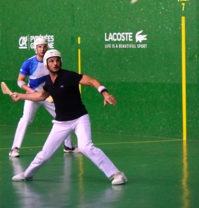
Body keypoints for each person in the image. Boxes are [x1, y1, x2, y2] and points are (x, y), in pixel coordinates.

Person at [9, 49, 127, 185]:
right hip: (61, 123)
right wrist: (21, 96)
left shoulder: (69, 76)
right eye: (51, 61)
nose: (55, 63)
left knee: (85, 147)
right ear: (47, 65)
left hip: (79, 118)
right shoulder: (48, 82)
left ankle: (117, 174)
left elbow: (92, 81)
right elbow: (41, 96)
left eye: (57, 60)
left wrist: (104, 93)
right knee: (45, 154)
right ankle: (28, 174)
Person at [9, 37, 77, 158]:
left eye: (44, 46)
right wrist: (30, 91)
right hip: (33, 96)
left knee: (63, 117)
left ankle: (68, 146)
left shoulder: (51, 62)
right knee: (26, 119)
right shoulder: (29, 63)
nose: (42, 49)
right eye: (39, 46)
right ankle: (14, 148)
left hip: (48, 96)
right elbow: (20, 81)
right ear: (35, 48)